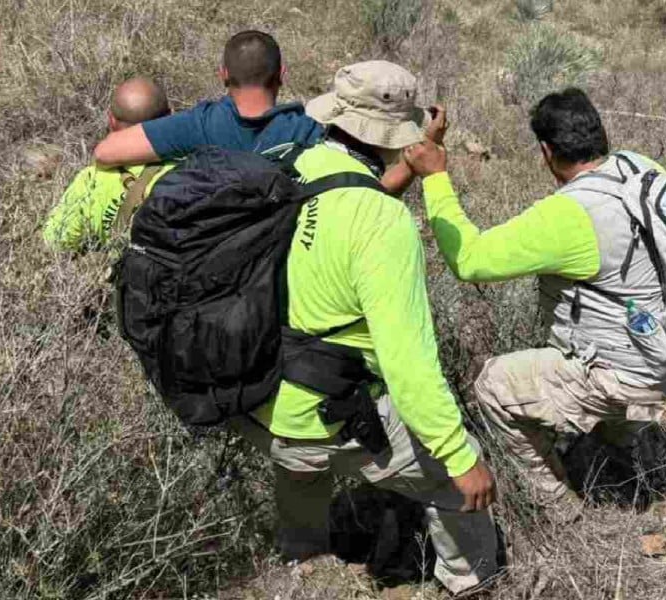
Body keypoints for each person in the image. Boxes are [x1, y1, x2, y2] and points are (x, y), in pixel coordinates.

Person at [227, 61, 499, 595]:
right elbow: (409, 364)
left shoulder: (290, 166)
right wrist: (460, 457)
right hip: (328, 415)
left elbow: (346, 199)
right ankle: (474, 582)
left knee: (300, 468)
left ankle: (302, 560)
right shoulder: (384, 224)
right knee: (454, 483)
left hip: (255, 400)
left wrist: (411, 166)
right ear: (395, 132)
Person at [404, 88, 666, 519]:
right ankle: (619, 445)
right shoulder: (642, 168)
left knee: (494, 385)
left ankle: (558, 506)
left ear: (545, 150)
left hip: (628, 370)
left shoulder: (569, 215)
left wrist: (434, 178)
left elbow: (470, 259)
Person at [92, 30, 436, 195]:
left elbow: (106, 153)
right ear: (282, 76)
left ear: (223, 74)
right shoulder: (311, 133)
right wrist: (418, 156)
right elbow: (374, 194)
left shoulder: (198, 124)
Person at [43, 77, 174, 252]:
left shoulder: (90, 180)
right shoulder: (193, 164)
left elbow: (56, 241)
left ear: (111, 120)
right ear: (170, 116)